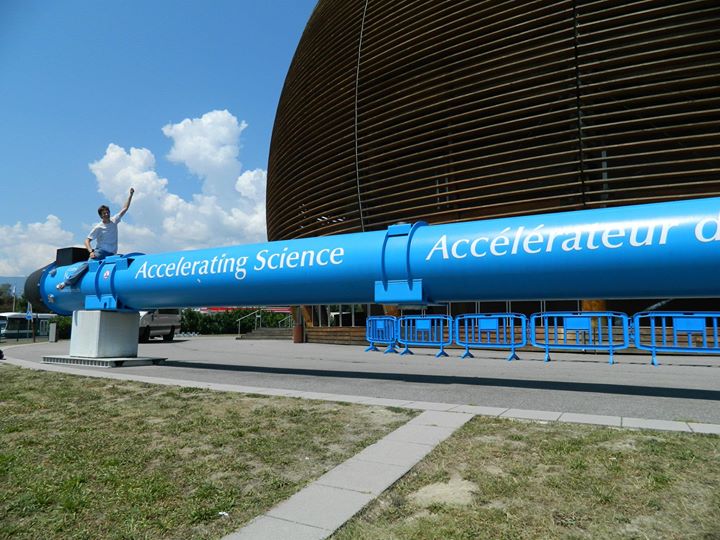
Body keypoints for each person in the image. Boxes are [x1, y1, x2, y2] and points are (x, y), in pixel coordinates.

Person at [57, 188, 135, 290]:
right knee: (87, 265)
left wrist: (130, 195)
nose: (106, 214)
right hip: (100, 252)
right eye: (104, 213)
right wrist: (91, 252)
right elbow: (87, 240)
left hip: (112, 253)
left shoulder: (114, 220)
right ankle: (66, 283)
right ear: (101, 216)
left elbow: (125, 208)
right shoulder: (98, 227)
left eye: (107, 212)